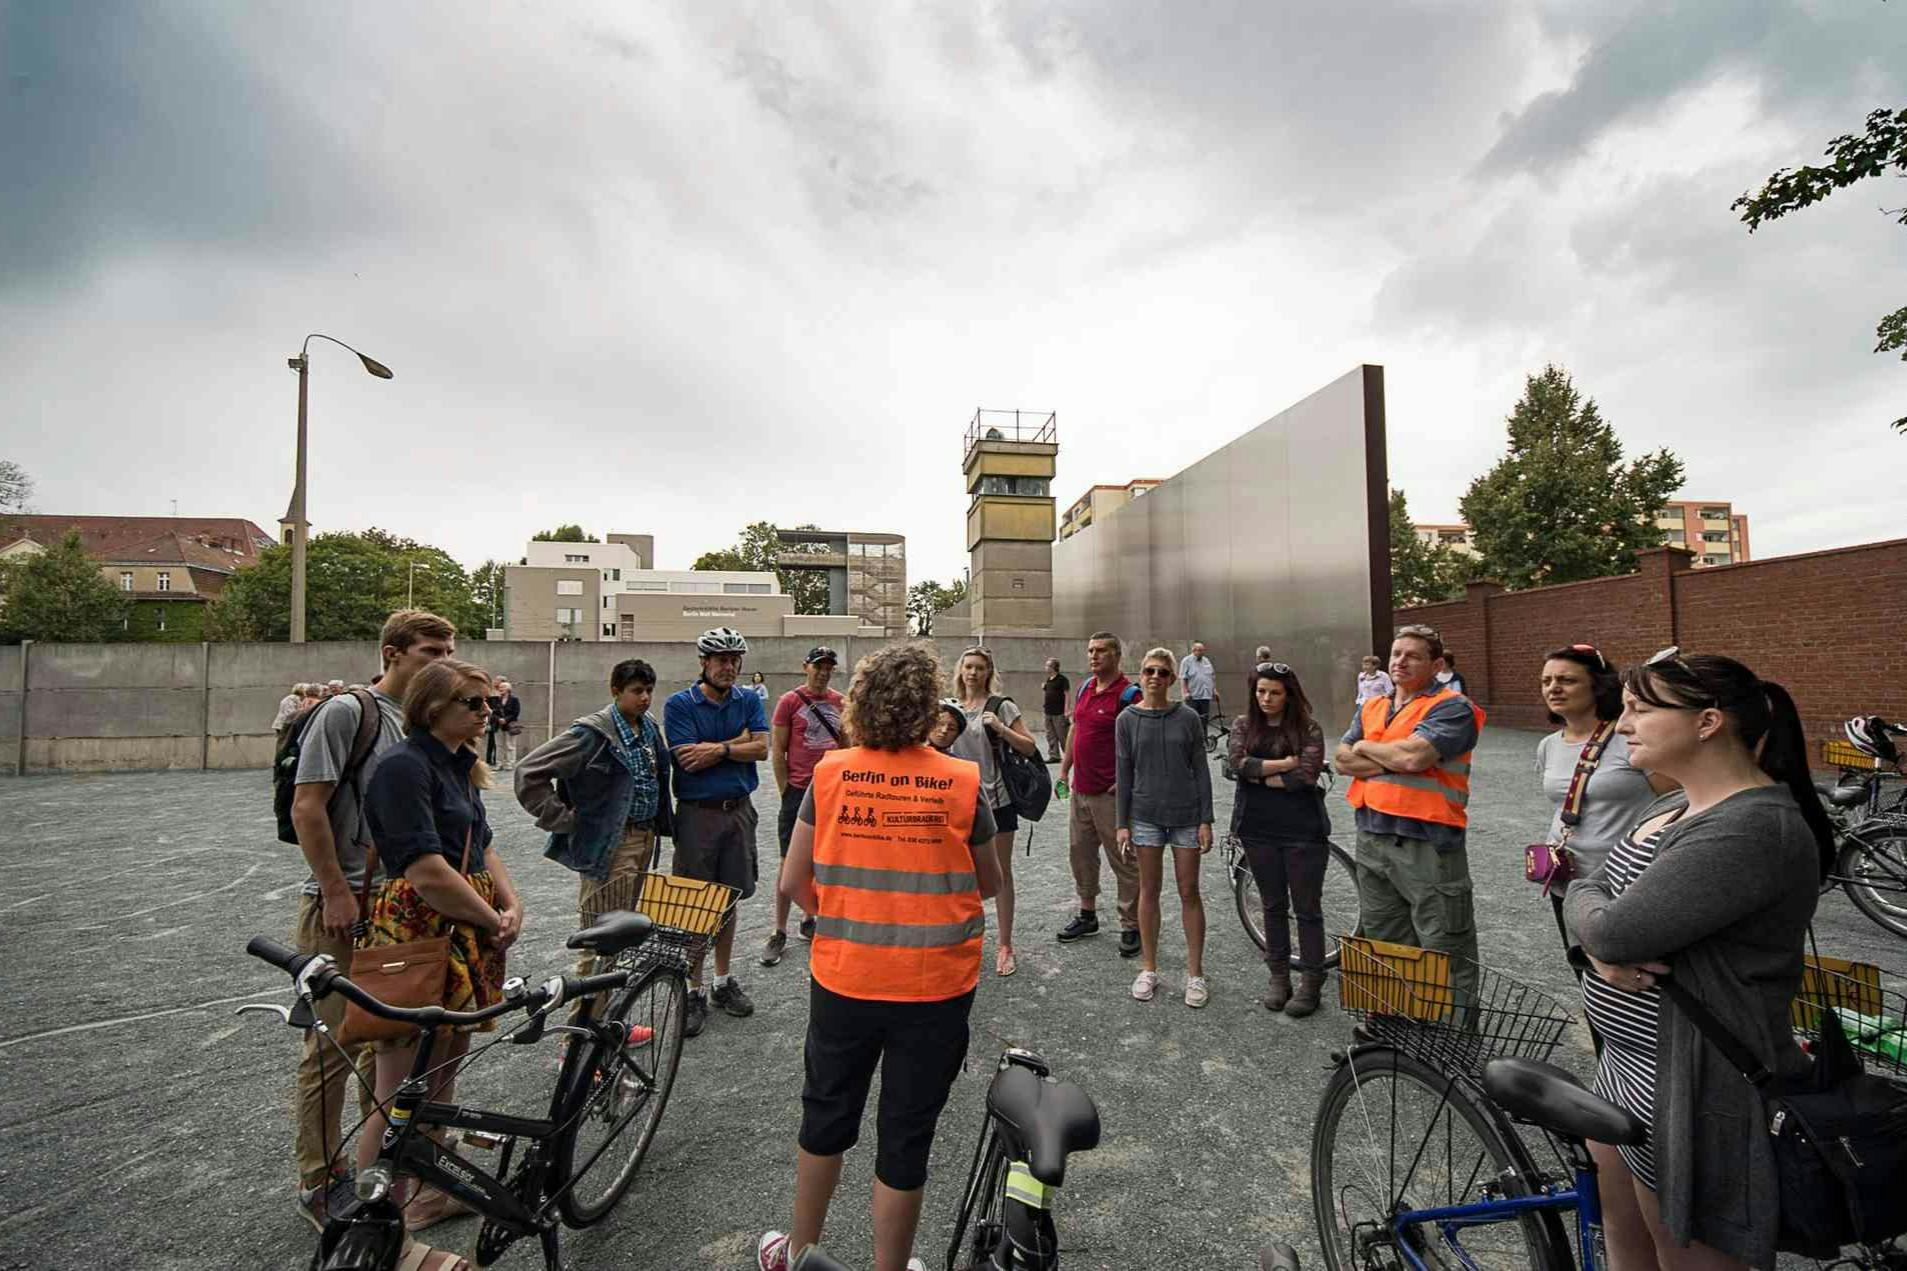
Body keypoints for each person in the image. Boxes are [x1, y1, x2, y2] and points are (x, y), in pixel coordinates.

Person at [1564, 650, 1833, 1271]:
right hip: (1627, 1064)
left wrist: (1598, 929)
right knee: (1626, 1245)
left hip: (1693, 1086)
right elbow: (1593, 887)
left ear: (1707, 722)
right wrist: (1597, 933)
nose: (1623, 724)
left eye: (1639, 710)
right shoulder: (1671, 804)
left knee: (1686, 1256)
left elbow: (1607, 915)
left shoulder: (1750, 829)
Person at [757, 642, 1002, 1271]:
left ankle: (800, 1249)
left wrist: (840, 912)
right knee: (906, 1130)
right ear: (929, 707)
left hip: (846, 975)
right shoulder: (960, 781)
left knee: (827, 1110)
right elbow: (990, 883)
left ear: (859, 702)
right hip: (935, 987)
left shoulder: (831, 774)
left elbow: (792, 881)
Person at [286, 609, 454, 1231]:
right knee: (330, 1045)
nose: (439, 662)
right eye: (429, 652)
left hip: (396, 905)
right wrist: (333, 889)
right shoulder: (347, 713)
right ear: (392, 653)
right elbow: (309, 808)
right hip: (343, 902)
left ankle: (373, 1174)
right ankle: (318, 1179)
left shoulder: (414, 726)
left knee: (386, 1046)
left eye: (446, 652)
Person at [357, 657, 523, 1258]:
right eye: (472, 704)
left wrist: (509, 902)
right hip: (420, 931)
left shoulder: (458, 767)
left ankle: (426, 1193)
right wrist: (492, 916)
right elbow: (425, 871)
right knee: (398, 1089)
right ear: (432, 708)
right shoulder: (403, 767)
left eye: (487, 703)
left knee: (443, 1069)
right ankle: (374, 1226)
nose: (487, 712)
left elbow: (480, 846)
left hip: (462, 923)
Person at [1334, 623, 1485, 1006]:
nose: (1400, 661)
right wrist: (1394, 759)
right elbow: (1341, 760)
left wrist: (1368, 747)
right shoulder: (1373, 706)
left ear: (1436, 666)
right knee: (1384, 943)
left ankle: (1449, 1049)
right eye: (1397, 653)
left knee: (1443, 947)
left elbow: (1414, 756)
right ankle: (1391, 1036)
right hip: (1372, 837)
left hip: (1428, 843)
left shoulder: (1452, 707)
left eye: (1413, 655)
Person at [514, 658, 675, 968]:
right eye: (637, 690)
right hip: (611, 844)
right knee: (601, 939)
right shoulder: (592, 734)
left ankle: (606, 1009)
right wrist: (564, 819)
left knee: (623, 932)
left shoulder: (648, 726)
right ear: (616, 691)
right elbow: (528, 771)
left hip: (643, 838)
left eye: (649, 691)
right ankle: (586, 1015)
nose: (644, 697)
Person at [664, 627, 769, 1037]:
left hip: (738, 812)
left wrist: (720, 748)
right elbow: (688, 761)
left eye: (734, 659)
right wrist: (737, 741)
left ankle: (722, 981)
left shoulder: (747, 699)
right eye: (720, 659)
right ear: (703, 663)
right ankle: (693, 989)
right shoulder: (679, 705)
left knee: (728, 900)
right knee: (695, 904)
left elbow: (761, 748)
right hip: (696, 815)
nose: (728, 666)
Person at [1534, 644, 1672, 948]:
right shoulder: (1548, 746)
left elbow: (1675, 802)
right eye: (1547, 681)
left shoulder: (1629, 739)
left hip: (1625, 880)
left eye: (1567, 680)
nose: (1554, 688)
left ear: (1598, 686)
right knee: (1582, 965)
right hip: (1566, 879)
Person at [1228, 662, 1330, 1017]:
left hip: (1303, 831)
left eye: (1274, 692)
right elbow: (1237, 764)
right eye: (1261, 692)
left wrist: (1261, 773)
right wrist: (1285, 763)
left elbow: (1305, 776)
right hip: (1258, 829)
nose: (1266, 698)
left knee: (1307, 909)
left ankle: (1311, 982)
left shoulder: (1308, 728)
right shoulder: (1243, 725)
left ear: (1289, 695)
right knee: (1271, 905)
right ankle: (1279, 977)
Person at [1116, 647, 1215, 1006]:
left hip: (1187, 815)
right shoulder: (1126, 719)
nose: (1155, 677)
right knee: (1148, 889)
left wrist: (1206, 819)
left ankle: (1195, 973)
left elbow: (1201, 770)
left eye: (1162, 672)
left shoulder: (1187, 717)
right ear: (1139, 676)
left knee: (1189, 890)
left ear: (1173, 679)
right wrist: (1121, 824)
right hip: (1145, 817)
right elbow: (1123, 773)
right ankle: (1149, 967)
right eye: (1149, 671)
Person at [946, 645, 1041, 978]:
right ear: (960, 670)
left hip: (996, 800)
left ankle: (1005, 944)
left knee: (1000, 874)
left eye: (980, 668)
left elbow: (1030, 747)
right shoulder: (949, 707)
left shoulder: (1002, 705)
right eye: (968, 667)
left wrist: (1001, 728)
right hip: (958, 802)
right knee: (957, 874)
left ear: (989, 673)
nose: (973, 673)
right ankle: (963, 942)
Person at [1055, 631, 1143, 956]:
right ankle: (1087, 914)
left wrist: (1128, 779)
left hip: (1111, 795)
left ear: (1117, 655)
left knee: (1124, 860)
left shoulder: (1130, 695)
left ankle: (1131, 925)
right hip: (1080, 790)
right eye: (1090, 650)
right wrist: (1064, 770)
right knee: (1080, 854)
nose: (1094, 656)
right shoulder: (1084, 688)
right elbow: (1076, 731)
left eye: (1101, 651)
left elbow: (1142, 743)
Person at [763, 647, 846, 967]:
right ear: (806, 667)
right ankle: (779, 929)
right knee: (788, 860)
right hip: (799, 789)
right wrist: (786, 792)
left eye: (828, 667)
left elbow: (846, 744)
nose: (823, 672)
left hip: (830, 789)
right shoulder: (790, 701)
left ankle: (811, 917)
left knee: (825, 858)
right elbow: (778, 750)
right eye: (817, 666)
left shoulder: (839, 702)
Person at [483, 679, 521, 769]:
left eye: (503, 687)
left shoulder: (514, 700)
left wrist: (505, 719)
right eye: (500, 687)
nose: (500, 689)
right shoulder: (497, 700)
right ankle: (499, 763)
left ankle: (510, 764)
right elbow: (493, 712)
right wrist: (499, 719)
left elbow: (516, 712)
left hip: (509, 725)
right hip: (498, 725)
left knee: (510, 745)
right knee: (499, 745)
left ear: (508, 689)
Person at [1178, 640, 1218, 726]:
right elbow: (1183, 678)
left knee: (1204, 720)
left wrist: (1214, 690)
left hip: (1205, 695)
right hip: (1193, 696)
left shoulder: (1206, 661)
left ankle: (1204, 739)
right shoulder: (1186, 661)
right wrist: (1185, 693)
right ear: (1193, 651)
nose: (1201, 652)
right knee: (1193, 720)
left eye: (1202, 650)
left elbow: (1212, 676)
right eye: (1199, 650)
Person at [1041, 657, 1071, 763]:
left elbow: (1067, 694)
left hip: (1059, 712)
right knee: (1050, 735)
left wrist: (1067, 709)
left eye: (1048, 665)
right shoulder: (1049, 679)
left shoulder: (1062, 680)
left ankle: (1069, 755)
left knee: (1062, 735)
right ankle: (1054, 755)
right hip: (1048, 711)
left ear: (1053, 667)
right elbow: (1048, 691)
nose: (1045, 667)